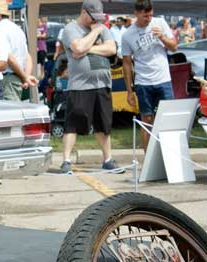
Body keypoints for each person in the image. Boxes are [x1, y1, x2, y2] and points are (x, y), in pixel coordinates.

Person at [58, 0, 119, 174]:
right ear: (84, 12)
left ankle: (107, 159)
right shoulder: (71, 28)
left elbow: (112, 49)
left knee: (103, 124)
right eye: (94, 17)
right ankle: (66, 161)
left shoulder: (101, 27)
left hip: (102, 83)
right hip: (80, 85)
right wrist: (95, 35)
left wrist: (88, 48)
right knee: (73, 123)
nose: (97, 21)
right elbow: (77, 48)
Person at [122, 0, 177, 150]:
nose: (149, 19)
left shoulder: (160, 22)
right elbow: (126, 63)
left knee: (168, 118)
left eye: (151, 15)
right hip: (143, 82)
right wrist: (129, 91)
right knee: (146, 120)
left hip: (163, 79)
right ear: (137, 14)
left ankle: (169, 154)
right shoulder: (128, 35)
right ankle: (148, 160)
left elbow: (173, 47)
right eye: (145, 16)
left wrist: (162, 37)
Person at [0, 0, 37, 101]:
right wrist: (26, 76)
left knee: (7, 113)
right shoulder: (17, 29)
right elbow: (27, 57)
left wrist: (24, 77)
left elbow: (9, 58)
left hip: (7, 78)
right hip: (15, 78)